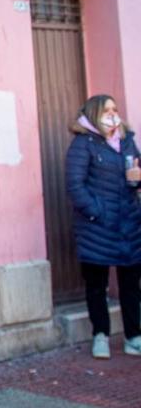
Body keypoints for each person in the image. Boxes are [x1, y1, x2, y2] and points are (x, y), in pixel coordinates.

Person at [65, 94, 141, 359]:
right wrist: (98, 212)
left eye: (115, 109)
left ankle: (134, 336)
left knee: (131, 284)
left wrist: (136, 180)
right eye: (107, 110)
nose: (113, 114)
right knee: (96, 285)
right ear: (95, 113)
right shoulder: (83, 143)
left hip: (129, 225)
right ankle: (101, 336)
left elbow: (135, 174)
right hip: (96, 227)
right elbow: (75, 185)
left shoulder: (127, 140)